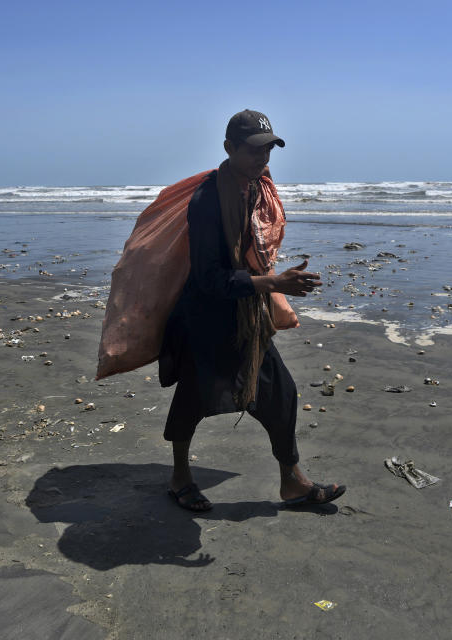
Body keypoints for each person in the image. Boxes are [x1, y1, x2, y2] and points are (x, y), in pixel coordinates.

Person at [158, 109, 346, 511]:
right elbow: (210, 278)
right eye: (253, 151)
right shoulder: (208, 200)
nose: (263, 160)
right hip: (206, 317)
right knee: (194, 397)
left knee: (281, 391)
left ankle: (292, 482)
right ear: (229, 148)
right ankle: (179, 478)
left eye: (268, 151)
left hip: (246, 312)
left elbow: (252, 252)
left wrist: (273, 282)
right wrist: (275, 284)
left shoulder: (258, 189)